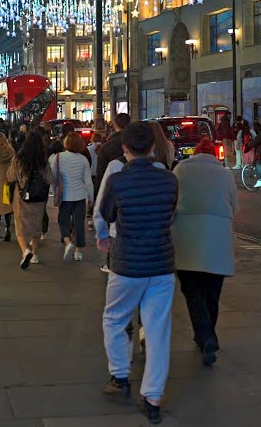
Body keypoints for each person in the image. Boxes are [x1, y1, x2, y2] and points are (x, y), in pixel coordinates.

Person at [97, 122, 179, 424]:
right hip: (161, 263)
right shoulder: (170, 180)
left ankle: (119, 376)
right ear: (154, 147)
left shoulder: (118, 181)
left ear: (125, 148)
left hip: (128, 263)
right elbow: (171, 214)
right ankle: (153, 397)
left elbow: (105, 215)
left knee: (115, 318)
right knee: (158, 330)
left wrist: (103, 237)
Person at [171, 138, 237, 367]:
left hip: (186, 237)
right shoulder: (225, 174)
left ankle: (205, 336)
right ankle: (207, 335)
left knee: (192, 291)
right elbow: (234, 206)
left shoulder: (180, 169)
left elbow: (172, 201)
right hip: (217, 238)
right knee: (212, 292)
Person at [9, 134, 51, 268]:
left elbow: (10, 176)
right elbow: (50, 179)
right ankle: (35, 254)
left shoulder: (18, 159)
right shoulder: (43, 161)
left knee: (20, 225)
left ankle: (25, 250)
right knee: (36, 226)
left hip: (22, 197)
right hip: (39, 198)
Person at [51, 132, 94, 262]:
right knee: (79, 224)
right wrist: (91, 198)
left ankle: (68, 241)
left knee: (63, 221)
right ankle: (78, 252)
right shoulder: (83, 159)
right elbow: (88, 181)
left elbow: (54, 179)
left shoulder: (58, 157)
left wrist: (54, 192)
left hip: (65, 196)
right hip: (80, 196)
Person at [95, 112, 132, 184]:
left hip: (113, 185)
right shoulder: (136, 142)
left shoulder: (107, 146)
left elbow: (100, 174)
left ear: (115, 125)